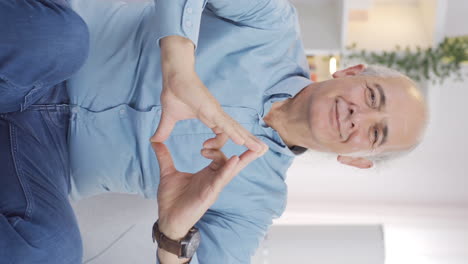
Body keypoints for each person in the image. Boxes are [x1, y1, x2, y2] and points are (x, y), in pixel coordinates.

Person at [0, 1, 428, 264]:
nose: (359, 118)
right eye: (372, 97)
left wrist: (173, 235)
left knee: (50, 251)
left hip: (38, 160)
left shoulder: (258, 203)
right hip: (40, 59)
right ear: (351, 72)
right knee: (61, 38)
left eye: (375, 134)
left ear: (355, 159)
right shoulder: (273, 27)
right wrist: (178, 66)